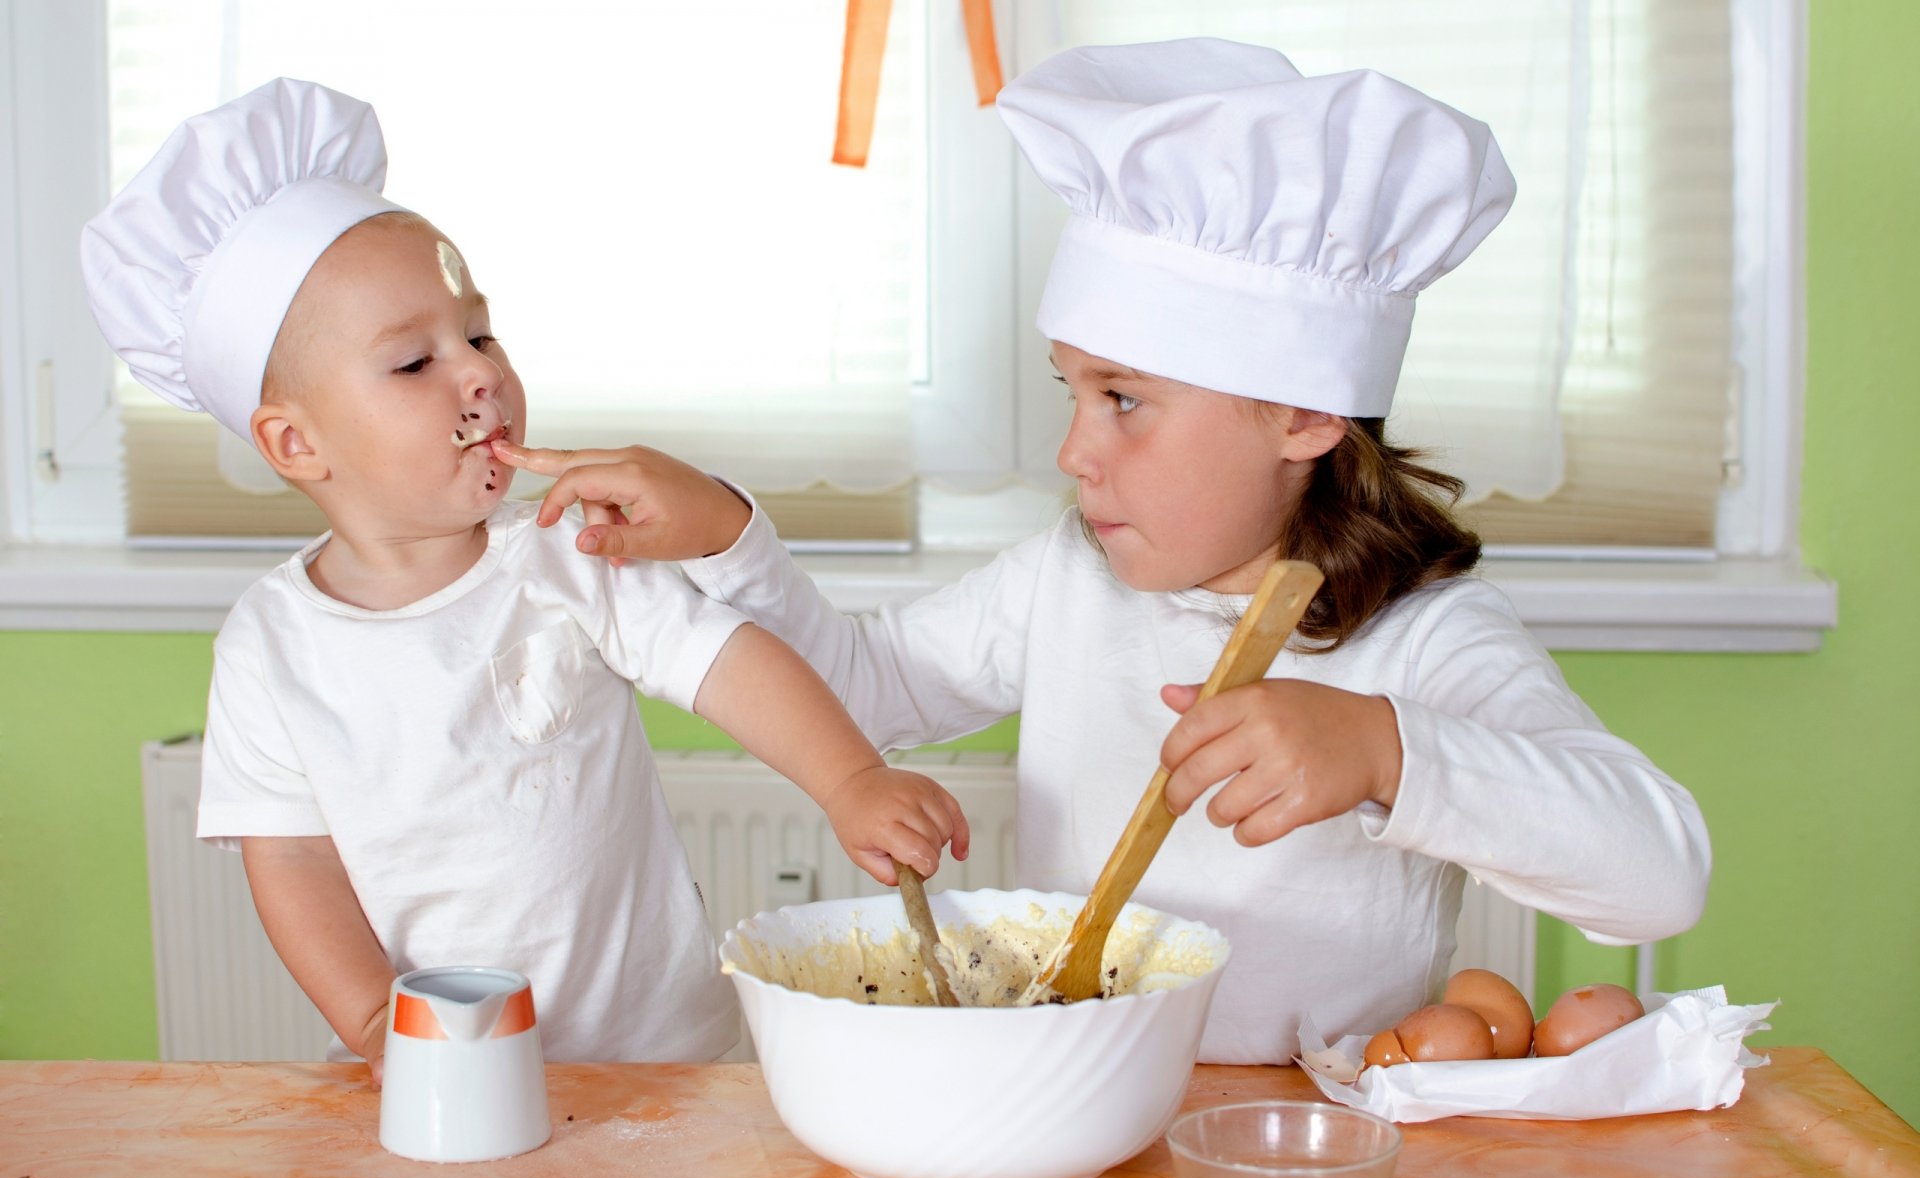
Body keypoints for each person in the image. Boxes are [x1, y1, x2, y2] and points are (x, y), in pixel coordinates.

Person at [492, 39, 1712, 1064]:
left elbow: (1661, 876)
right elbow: (864, 694)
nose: (1076, 453)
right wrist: (726, 535)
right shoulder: (1066, 576)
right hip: (1077, 1097)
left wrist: (1387, 750)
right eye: (1072, 391)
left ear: (1300, 416)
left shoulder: (1426, 636)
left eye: (1124, 399)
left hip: (1305, 1145)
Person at [80, 78, 967, 1078]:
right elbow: (290, 859)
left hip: (660, 1065)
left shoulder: (560, 552)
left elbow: (728, 658)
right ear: (296, 442)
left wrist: (849, 778)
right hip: (448, 1076)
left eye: (480, 333)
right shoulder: (270, 646)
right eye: (414, 363)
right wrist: (377, 1024)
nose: (478, 373)